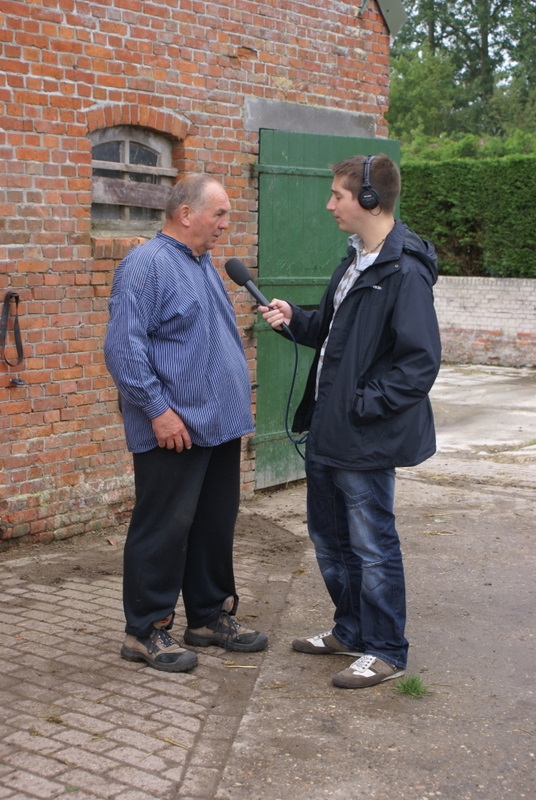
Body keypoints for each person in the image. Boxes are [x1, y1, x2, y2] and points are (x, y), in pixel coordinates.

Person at [260, 154, 441, 689]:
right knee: (331, 540)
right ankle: (352, 630)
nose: (329, 205)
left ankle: (386, 650)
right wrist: (297, 320)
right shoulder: (356, 260)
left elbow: (419, 364)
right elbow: (334, 331)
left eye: (337, 195)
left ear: (368, 199)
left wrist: (361, 405)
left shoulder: (404, 271)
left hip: (364, 436)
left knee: (371, 544)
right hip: (329, 429)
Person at [104, 174, 268, 673]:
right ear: (185, 214)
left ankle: (209, 617)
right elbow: (123, 348)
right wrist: (158, 411)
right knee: (163, 529)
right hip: (174, 429)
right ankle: (145, 630)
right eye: (219, 214)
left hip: (218, 426)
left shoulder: (202, 264)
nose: (225, 224)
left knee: (214, 525)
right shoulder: (146, 265)